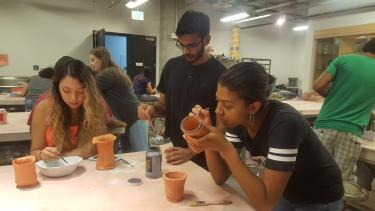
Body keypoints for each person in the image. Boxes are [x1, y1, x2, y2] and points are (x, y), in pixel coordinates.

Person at [184, 62, 344, 210]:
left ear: (253, 107)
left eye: (227, 105)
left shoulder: (285, 124)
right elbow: (220, 177)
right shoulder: (239, 120)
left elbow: (265, 204)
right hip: (286, 191)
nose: (218, 110)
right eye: (218, 101)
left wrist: (226, 150)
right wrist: (208, 135)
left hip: (319, 197)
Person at [138, 10, 226, 169]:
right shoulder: (172, 66)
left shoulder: (222, 75)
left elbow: (221, 128)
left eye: (191, 45)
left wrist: (192, 151)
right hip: (171, 151)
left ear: (207, 40)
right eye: (181, 45)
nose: (186, 51)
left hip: (204, 160)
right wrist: (151, 109)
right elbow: (163, 106)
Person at [313, 38, 375, 183]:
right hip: (352, 131)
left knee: (315, 173)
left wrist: (334, 97)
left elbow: (318, 85)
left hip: (324, 126)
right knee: (341, 181)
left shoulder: (343, 60)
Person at [30, 57, 107, 161]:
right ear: (57, 87)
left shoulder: (96, 107)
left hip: (87, 170)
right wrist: (42, 155)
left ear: (89, 89)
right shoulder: (43, 108)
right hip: (55, 172)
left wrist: (62, 157)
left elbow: (96, 147)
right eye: (66, 91)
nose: (74, 98)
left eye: (81, 91)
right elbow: (34, 152)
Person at [89, 47, 148, 152]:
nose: (91, 64)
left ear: (101, 59)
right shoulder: (113, 71)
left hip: (134, 117)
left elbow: (89, 92)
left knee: (141, 155)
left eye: (93, 60)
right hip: (131, 117)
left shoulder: (106, 74)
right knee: (130, 155)